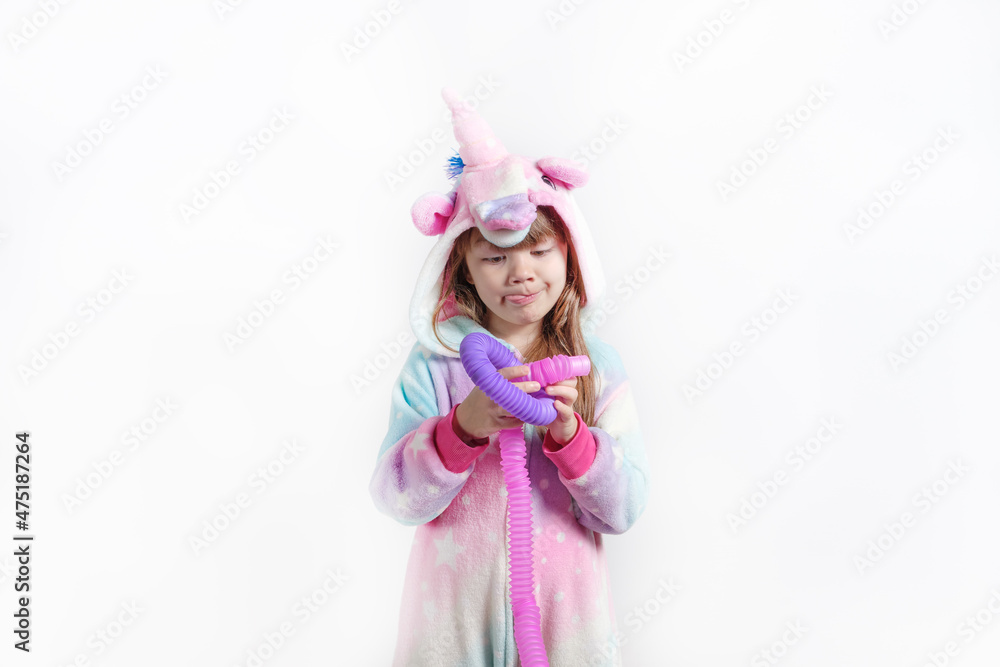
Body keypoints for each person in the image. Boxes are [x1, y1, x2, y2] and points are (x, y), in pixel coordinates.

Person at [369, 87, 651, 667]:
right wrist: (461, 430)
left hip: (566, 626)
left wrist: (573, 441)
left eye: (540, 252)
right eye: (496, 257)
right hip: (450, 624)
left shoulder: (597, 368)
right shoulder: (436, 365)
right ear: (464, 269)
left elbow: (623, 509)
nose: (521, 273)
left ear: (569, 254)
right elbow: (397, 497)